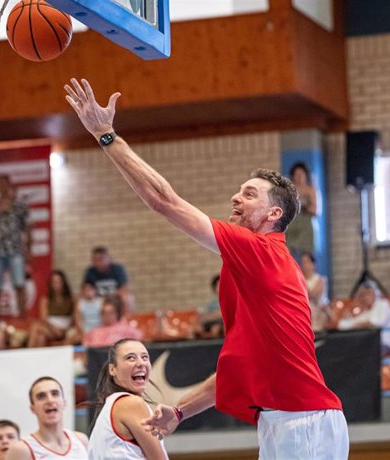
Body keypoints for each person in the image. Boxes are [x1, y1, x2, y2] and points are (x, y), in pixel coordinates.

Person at [64, 78, 347, 459]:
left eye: (250, 194)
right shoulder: (243, 272)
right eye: (239, 190)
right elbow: (238, 371)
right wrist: (180, 411)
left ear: (274, 214)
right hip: (282, 422)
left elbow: (164, 200)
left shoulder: (261, 251)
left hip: (305, 420)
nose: (235, 196)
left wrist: (106, 135)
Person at [87, 338, 168, 459]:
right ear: (112, 369)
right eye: (130, 358)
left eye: (145, 357)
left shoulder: (111, 406)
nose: (141, 363)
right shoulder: (130, 403)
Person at [7, 377, 89, 460]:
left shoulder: (81, 440)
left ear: (64, 403)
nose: (50, 400)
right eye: (41, 396)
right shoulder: (21, 450)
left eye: (55, 394)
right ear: (33, 408)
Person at [0, 174, 30, 316]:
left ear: (10, 185)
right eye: (0, 184)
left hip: (15, 251)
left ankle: (23, 317)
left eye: (5, 184)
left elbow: (27, 229)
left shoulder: (18, 206)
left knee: (19, 285)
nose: (2, 187)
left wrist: (29, 250)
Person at [336, 281, 390, 356]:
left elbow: (377, 323)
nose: (366, 297)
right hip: (367, 344)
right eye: (363, 295)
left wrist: (360, 325)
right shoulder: (365, 312)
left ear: (375, 294)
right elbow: (342, 326)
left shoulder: (383, 304)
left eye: (368, 293)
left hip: (384, 344)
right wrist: (353, 307)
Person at [28, 270, 79, 347]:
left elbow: (75, 317)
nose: (56, 284)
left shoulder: (72, 299)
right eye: (54, 282)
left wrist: (66, 328)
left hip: (65, 327)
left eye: (58, 281)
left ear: (63, 283)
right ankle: (33, 355)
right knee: (40, 336)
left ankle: (27, 353)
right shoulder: (45, 299)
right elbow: (44, 318)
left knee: (36, 328)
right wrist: (53, 329)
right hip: (51, 327)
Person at [83, 246, 133, 317]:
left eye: (101, 259)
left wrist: (111, 294)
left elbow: (124, 287)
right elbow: (87, 288)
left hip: (115, 296)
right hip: (98, 297)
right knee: (79, 299)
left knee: (127, 297)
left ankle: (126, 320)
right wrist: (90, 293)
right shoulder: (90, 271)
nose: (98, 262)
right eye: (95, 260)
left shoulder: (118, 269)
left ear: (109, 258)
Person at [285, 162, 317, 261]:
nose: (299, 177)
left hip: (305, 225)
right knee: (287, 255)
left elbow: (314, 210)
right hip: (291, 225)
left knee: (306, 257)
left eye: (301, 174)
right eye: (296, 174)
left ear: (306, 176)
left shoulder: (310, 190)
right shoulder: (288, 190)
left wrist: (303, 205)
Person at [300, 252, 330, 331]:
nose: (305, 265)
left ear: (313, 264)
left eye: (307, 262)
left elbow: (314, 295)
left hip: (318, 307)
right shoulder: (299, 280)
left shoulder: (320, 280)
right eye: (303, 262)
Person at [72, 281, 103, 345]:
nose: (88, 292)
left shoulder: (101, 301)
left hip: (99, 329)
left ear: (95, 290)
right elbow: (78, 320)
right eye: (86, 289)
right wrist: (82, 332)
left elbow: (104, 318)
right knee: (73, 339)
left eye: (90, 289)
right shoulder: (80, 303)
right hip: (85, 330)